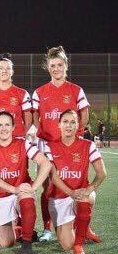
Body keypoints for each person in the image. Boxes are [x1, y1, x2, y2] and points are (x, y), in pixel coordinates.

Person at [32, 46, 90, 242]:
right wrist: (45, 139)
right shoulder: (39, 92)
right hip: (46, 145)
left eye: (59, 65)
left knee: (75, 182)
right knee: (47, 186)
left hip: (69, 145)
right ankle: (47, 228)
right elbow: (35, 118)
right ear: (48, 68)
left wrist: (75, 137)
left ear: (66, 66)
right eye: (52, 65)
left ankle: (82, 225)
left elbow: (84, 115)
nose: (56, 68)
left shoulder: (76, 90)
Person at [0, 112, 51, 254]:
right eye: (0, 125)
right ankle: (19, 226)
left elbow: (46, 163)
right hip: (0, 196)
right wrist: (14, 188)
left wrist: (33, 187)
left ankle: (27, 243)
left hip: (20, 192)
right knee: (7, 243)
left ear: (13, 127)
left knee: (26, 198)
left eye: (7, 124)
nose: (4, 128)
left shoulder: (23, 143)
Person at [0, 55, 33, 239]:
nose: (4, 71)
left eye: (7, 68)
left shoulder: (21, 93)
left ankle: (22, 225)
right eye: (1, 68)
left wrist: (16, 138)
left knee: (22, 180)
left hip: (16, 145)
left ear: (12, 71)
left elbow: (29, 119)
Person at [45, 110, 107, 254]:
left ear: (78, 125)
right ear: (59, 125)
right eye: (65, 122)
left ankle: (79, 245)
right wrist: (70, 192)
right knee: (66, 244)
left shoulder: (88, 145)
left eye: (73, 122)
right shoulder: (49, 146)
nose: (69, 125)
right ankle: (82, 228)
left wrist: (89, 189)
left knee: (86, 197)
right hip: (59, 197)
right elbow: (53, 176)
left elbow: (101, 173)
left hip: (80, 193)